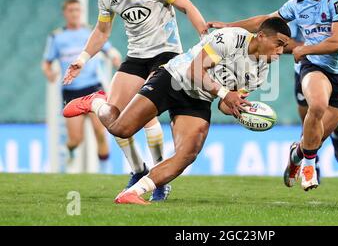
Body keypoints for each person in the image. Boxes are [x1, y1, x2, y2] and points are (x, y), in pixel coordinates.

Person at [63, 17, 291, 205]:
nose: (281, 51)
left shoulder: (260, 74)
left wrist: (239, 109)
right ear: (261, 36)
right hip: (173, 79)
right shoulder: (231, 38)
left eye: (284, 47)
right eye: (279, 44)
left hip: (198, 100)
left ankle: (133, 193)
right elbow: (195, 71)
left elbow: (224, 104)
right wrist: (225, 94)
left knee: (188, 154)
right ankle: (96, 102)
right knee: (121, 129)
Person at [62, 0, 208, 201]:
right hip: (136, 57)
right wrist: (82, 59)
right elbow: (102, 31)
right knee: (115, 119)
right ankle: (138, 169)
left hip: (166, 54)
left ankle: (160, 179)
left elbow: (186, 6)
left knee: (145, 112)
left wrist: (204, 35)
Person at [207, 0, 338, 191]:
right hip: (315, 66)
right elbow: (266, 22)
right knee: (317, 105)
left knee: (315, 139)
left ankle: (296, 156)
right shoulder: (297, 4)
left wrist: (305, 48)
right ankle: (309, 168)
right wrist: (229, 26)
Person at [284, 12, 338, 184]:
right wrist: (313, 46)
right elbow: (284, 43)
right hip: (309, 70)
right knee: (311, 120)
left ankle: (336, 137)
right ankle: (312, 162)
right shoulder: (301, 10)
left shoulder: (337, 4)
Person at [42, 0, 122, 173]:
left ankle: (105, 171)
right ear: (65, 13)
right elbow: (46, 62)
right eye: (71, 10)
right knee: (76, 139)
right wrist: (49, 73)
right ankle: (70, 151)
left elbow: (108, 48)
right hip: (72, 92)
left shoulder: (90, 32)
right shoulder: (57, 37)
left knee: (100, 132)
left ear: (81, 12)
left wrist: (115, 57)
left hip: (93, 88)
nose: (74, 14)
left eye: (77, 10)